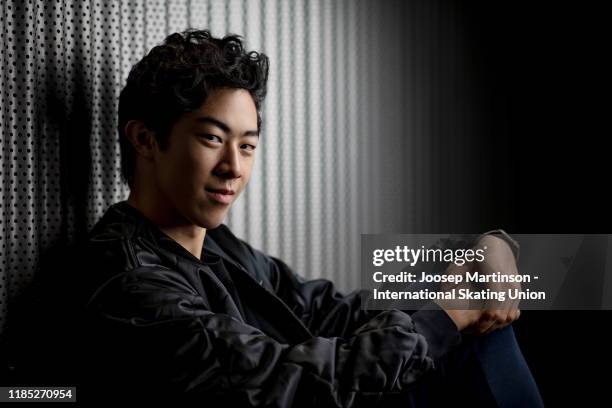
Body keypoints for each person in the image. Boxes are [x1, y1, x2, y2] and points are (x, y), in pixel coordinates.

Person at [17, 29, 542, 406]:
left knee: (482, 321)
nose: (233, 168)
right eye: (212, 138)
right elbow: (284, 384)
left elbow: (333, 311)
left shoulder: (218, 248)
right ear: (146, 139)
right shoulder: (127, 282)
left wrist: (481, 250)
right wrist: (447, 318)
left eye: (247, 146)